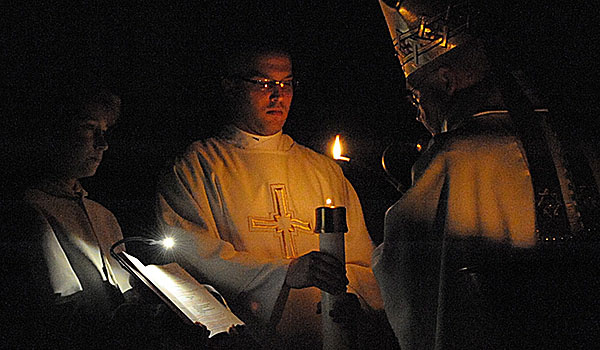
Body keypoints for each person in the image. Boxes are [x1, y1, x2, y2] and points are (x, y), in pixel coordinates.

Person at [373, 1, 600, 349]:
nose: (419, 116)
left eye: (417, 98)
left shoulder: (454, 159)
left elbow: (408, 272)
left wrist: (379, 255)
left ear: (447, 81)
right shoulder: (578, 138)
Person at [155, 43, 386, 348]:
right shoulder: (196, 168)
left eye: (286, 83)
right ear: (230, 86)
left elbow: (359, 261)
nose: (277, 95)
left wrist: (352, 296)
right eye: (263, 83)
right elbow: (194, 256)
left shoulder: (323, 170)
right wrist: (284, 274)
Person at [0, 85, 207, 349]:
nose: (103, 144)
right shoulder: (29, 211)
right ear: (52, 131)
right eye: (89, 128)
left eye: (105, 131)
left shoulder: (103, 216)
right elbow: (54, 317)